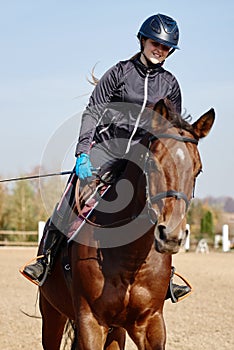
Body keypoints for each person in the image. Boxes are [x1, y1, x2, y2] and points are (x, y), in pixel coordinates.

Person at [23, 13, 191, 301]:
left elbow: (170, 128)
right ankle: (47, 258)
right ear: (142, 40)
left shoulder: (170, 84)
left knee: (163, 205)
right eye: (155, 43)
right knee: (74, 195)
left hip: (143, 157)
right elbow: (93, 111)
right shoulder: (120, 73)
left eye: (166, 48)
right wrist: (83, 153)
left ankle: (168, 273)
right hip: (107, 150)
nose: (159, 51)